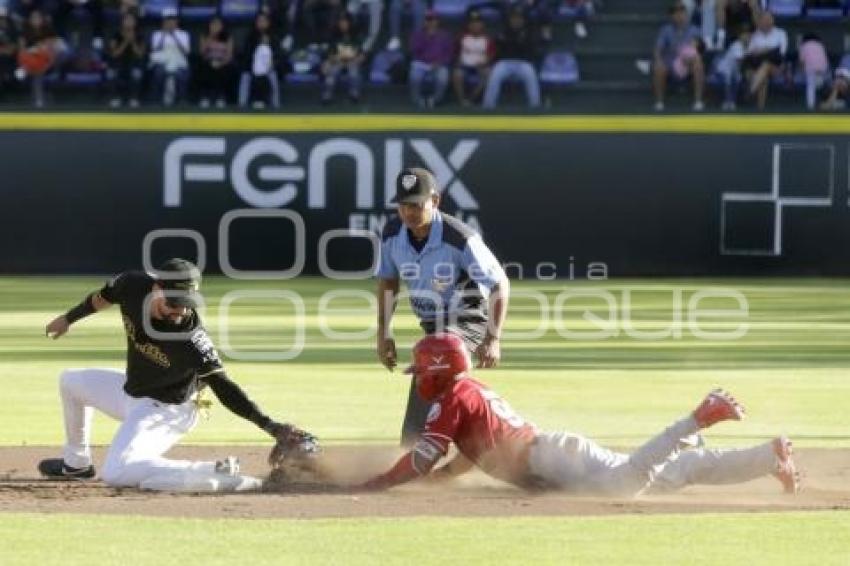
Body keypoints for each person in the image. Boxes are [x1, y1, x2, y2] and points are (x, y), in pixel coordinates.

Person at [359, 333, 801, 496]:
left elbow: (422, 458)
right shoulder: (469, 390)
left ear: (437, 370)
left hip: (547, 458)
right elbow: (467, 454)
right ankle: (768, 457)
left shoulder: (449, 399)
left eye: (421, 368)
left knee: (628, 483)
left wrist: (378, 483)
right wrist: (440, 482)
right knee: (672, 477)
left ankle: (699, 419)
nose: (418, 377)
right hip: (550, 456)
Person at [39, 258, 318, 491]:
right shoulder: (132, 285)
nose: (180, 310)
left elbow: (223, 386)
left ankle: (215, 470)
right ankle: (76, 464)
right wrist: (68, 318)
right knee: (71, 382)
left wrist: (270, 426)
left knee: (116, 473)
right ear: (156, 288)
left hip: (168, 409)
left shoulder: (192, 338)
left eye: (186, 303)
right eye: (173, 302)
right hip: (132, 389)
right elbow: (102, 298)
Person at [377, 167, 510, 447]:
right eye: (403, 205)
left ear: (435, 201)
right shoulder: (392, 233)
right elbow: (389, 282)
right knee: (438, 380)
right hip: (433, 326)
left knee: (435, 356)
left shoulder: (458, 237)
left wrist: (493, 338)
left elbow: (500, 283)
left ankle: (414, 448)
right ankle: (471, 446)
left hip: (468, 320)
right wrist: (383, 333)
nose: (408, 212)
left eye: (416, 204)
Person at [482, 8, 542, 109]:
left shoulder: (529, 33)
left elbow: (532, 51)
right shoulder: (503, 32)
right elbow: (497, 50)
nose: (516, 21)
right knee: (494, 75)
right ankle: (488, 107)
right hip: (504, 63)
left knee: (531, 75)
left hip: (523, 63)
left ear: (523, 20)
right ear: (509, 20)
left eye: (519, 19)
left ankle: (535, 107)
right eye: (514, 18)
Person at [652, 1, 704, 112]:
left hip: (689, 62)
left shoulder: (694, 29)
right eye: (677, 13)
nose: (680, 16)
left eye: (682, 12)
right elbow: (658, 48)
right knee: (659, 67)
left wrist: (691, 58)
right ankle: (659, 102)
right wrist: (658, 60)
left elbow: (698, 49)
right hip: (671, 62)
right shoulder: (666, 30)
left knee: (698, 65)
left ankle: (698, 101)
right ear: (672, 16)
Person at [742, 10, 787, 110]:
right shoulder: (755, 35)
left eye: (768, 19)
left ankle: (750, 91)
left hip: (776, 66)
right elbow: (749, 53)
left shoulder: (781, 33)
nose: (766, 21)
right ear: (760, 21)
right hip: (756, 66)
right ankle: (760, 109)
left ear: (773, 21)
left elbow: (781, 53)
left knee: (766, 65)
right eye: (764, 19)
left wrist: (763, 51)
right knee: (763, 77)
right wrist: (765, 51)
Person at [408, 10, 453, 109]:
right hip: (421, 64)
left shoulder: (445, 35)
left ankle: (435, 100)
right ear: (424, 21)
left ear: (438, 21)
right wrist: (427, 37)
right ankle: (417, 100)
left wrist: (440, 63)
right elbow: (414, 51)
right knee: (414, 76)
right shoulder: (417, 34)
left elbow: (449, 54)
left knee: (443, 77)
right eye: (428, 19)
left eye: (433, 19)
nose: (431, 22)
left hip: (439, 64)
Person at [238, 11, 281, 109]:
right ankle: (242, 104)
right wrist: (255, 66)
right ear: (256, 22)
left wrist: (272, 64)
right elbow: (246, 54)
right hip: (251, 67)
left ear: (268, 22)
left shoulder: (273, 36)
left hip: (268, 68)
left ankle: (276, 105)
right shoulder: (250, 36)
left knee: (272, 74)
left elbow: (278, 54)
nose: (261, 23)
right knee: (245, 75)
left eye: (264, 21)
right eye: (259, 21)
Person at [16, 8, 57, 108]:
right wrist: (30, 53)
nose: (36, 20)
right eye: (33, 18)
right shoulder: (24, 30)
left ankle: (38, 99)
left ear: (42, 19)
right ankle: (38, 99)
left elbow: (51, 49)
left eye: (38, 17)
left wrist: (46, 62)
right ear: (30, 20)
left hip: (46, 61)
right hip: (29, 61)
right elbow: (21, 49)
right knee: (34, 70)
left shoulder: (48, 30)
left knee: (39, 70)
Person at [149, 8, 190, 106]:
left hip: (178, 61)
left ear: (177, 21)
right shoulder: (157, 34)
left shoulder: (183, 34)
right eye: (168, 20)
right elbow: (155, 49)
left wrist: (174, 36)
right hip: (161, 61)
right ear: (164, 22)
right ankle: (156, 100)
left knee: (181, 75)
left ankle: (181, 101)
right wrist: (164, 34)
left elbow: (186, 52)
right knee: (159, 72)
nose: (171, 22)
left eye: (173, 20)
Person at [453, 10, 494, 107]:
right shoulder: (461, 37)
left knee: (488, 74)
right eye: (472, 23)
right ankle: (462, 100)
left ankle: (472, 98)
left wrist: (484, 63)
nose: (475, 26)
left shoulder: (487, 39)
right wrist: (458, 61)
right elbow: (455, 53)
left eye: (477, 23)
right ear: (468, 25)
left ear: (482, 25)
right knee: (456, 74)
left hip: (480, 66)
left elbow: (491, 55)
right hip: (464, 66)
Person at [321, 11, 363, 104]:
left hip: (352, 61)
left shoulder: (355, 33)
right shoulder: (333, 33)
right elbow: (330, 55)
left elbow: (360, 55)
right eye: (340, 22)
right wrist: (334, 60)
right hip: (338, 61)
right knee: (332, 71)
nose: (342, 24)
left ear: (349, 22)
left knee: (354, 72)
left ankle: (354, 95)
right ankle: (327, 96)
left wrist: (356, 59)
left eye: (345, 22)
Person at [107, 11, 145, 108]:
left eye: (131, 20)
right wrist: (125, 41)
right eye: (126, 20)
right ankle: (116, 98)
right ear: (122, 22)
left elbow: (140, 54)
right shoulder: (115, 35)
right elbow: (114, 54)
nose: (129, 22)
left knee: (136, 74)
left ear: (135, 22)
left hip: (134, 62)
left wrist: (132, 42)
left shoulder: (140, 35)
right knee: (113, 73)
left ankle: (134, 98)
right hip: (118, 62)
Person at [197, 15, 234, 108]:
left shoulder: (228, 37)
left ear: (222, 26)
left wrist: (221, 63)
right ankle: (205, 97)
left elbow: (229, 55)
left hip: (223, 62)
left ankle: (220, 98)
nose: (215, 27)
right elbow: (202, 53)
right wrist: (209, 39)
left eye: (218, 25)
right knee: (205, 68)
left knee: (223, 70)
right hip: (208, 60)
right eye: (213, 25)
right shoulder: (204, 35)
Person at [715, 25, 750, 110]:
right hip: (723, 70)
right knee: (731, 78)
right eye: (744, 35)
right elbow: (740, 61)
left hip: (734, 71)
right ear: (740, 36)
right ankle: (727, 102)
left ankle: (732, 101)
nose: (746, 37)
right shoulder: (736, 46)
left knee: (736, 77)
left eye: (748, 35)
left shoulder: (748, 46)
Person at [797, 32, 828, 111]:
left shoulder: (804, 46)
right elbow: (824, 58)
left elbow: (801, 61)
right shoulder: (820, 45)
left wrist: (801, 70)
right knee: (818, 84)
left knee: (810, 87)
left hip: (811, 68)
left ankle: (810, 106)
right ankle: (821, 100)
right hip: (822, 68)